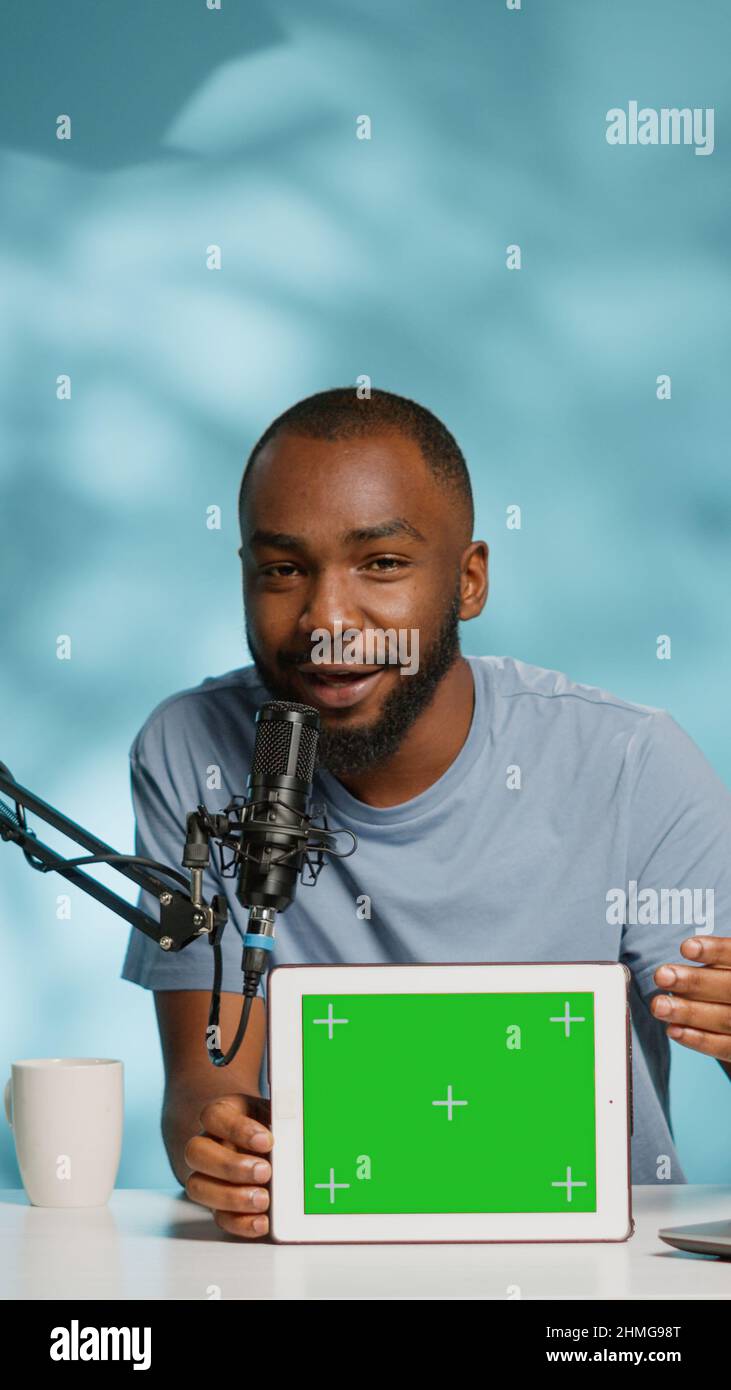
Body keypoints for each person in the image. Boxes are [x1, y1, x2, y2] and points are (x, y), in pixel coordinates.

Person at [121, 387, 731, 1240]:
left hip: (593, 1273)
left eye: (380, 564)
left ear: (468, 580)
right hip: (322, 1262)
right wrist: (218, 1152)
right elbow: (202, 1081)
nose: (326, 622)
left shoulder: (632, 763)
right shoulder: (195, 747)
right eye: (284, 570)